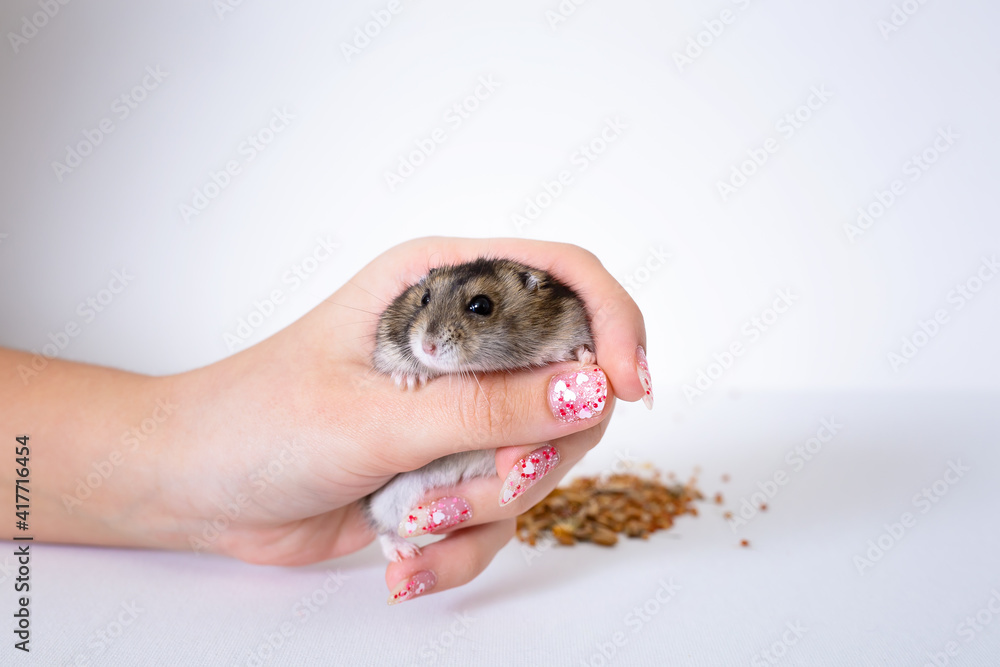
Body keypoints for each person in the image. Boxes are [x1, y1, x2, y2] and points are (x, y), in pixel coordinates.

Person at [0, 237, 652, 604]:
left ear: (530, 300)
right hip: (394, 481)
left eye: (478, 307)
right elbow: (401, 342)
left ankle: (397, 526)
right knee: (403, 496)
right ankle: (393, 528)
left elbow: (571, 332)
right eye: (425, 302)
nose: (433, 332)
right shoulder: (409, 335)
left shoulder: (552, 315)